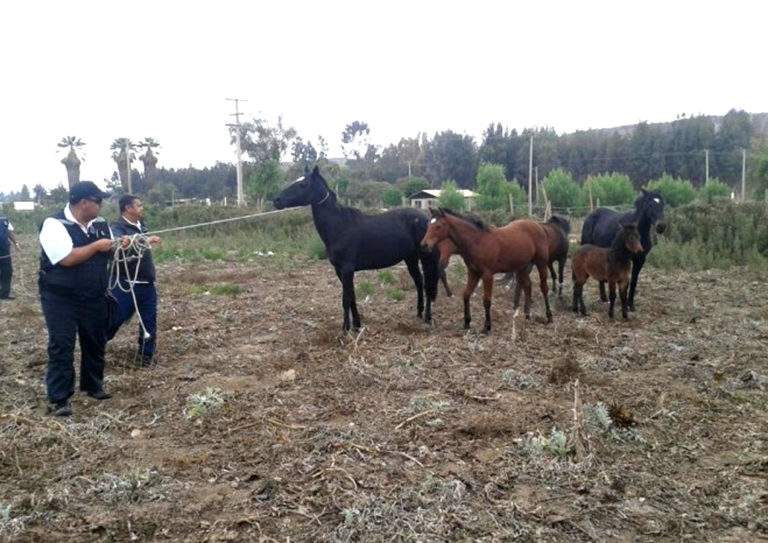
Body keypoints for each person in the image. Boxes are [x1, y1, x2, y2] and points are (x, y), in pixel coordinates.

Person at [38, 181, 127, 417]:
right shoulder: (54, 224)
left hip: (94, 294)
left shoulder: (100, 224)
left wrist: (118, 246)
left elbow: (109, 251)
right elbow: (67, 258)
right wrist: (97, 246)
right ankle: (60, 398)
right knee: (62, 344)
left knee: (95, 340)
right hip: (60, 298)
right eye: (99, 202)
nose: (102, 206)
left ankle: (93, 385)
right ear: (84, 203)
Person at [108, 195, 161, 366]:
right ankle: (95, 347)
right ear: (128, 208)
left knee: (149, 321)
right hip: (125, 284)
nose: (142, 208)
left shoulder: (142, 225)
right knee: (114, 319)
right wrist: (137, 241)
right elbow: (115, 246)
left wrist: (143, 239)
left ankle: (146, 357)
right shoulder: (116, 228)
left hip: (146, 283)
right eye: (139, 205)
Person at [0, 214, 20, 299]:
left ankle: (4, 294)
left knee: (7, 272)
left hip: (4, 252)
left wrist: (16, 243)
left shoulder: (4, 219)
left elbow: (9, 232)